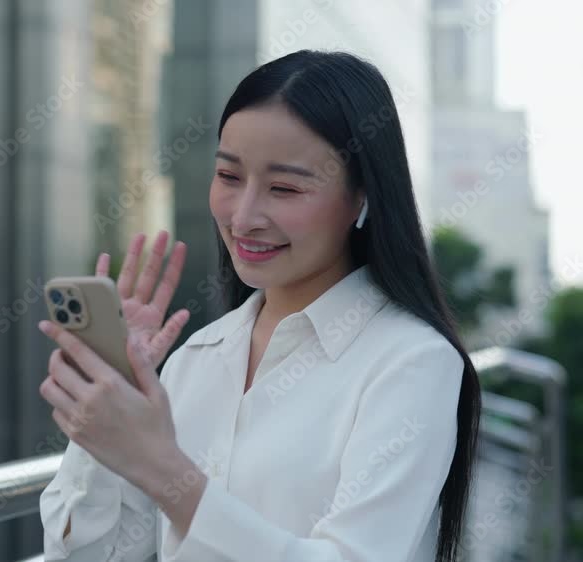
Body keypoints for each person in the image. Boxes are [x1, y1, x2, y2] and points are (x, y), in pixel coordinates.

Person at [36, 50, 481, 562]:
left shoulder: (413, 362)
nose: (244, 217)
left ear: (363, 198)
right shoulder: (195, 359)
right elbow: (87, 556)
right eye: (228, 177)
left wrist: (163, 469)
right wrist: (111, 398)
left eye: (284, 188)